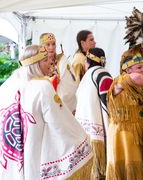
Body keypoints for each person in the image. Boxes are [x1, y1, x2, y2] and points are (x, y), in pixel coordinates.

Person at [0, 45, 93, 179]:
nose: (50, 62)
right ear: (35, 64)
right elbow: (60, 122)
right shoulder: (42, 86)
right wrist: (82, 138)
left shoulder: (7, 86)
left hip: (10, 153)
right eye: (45, 60)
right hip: (32, 149)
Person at [105, 49, 143, 180]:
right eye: (139, 67)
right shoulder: (120, 81)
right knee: (128, 165)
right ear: (127, 70)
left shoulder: (136, 87)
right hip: (123, 133)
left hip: (136, 132)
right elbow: (137, 77)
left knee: (139, 164)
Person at [75, 48, 113, 179]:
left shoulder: (88, 76)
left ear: (88, 61)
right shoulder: (102, 74)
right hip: (99, 137)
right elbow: (109, 105)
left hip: (86, 135)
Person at [40, 32, 78, 114]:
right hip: (45, 105)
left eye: (53, 44)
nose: (51, 47)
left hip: (63, 104)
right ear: (42, 47)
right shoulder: (38, 64)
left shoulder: (62, 61)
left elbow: (71, 85)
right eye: (48, 44)